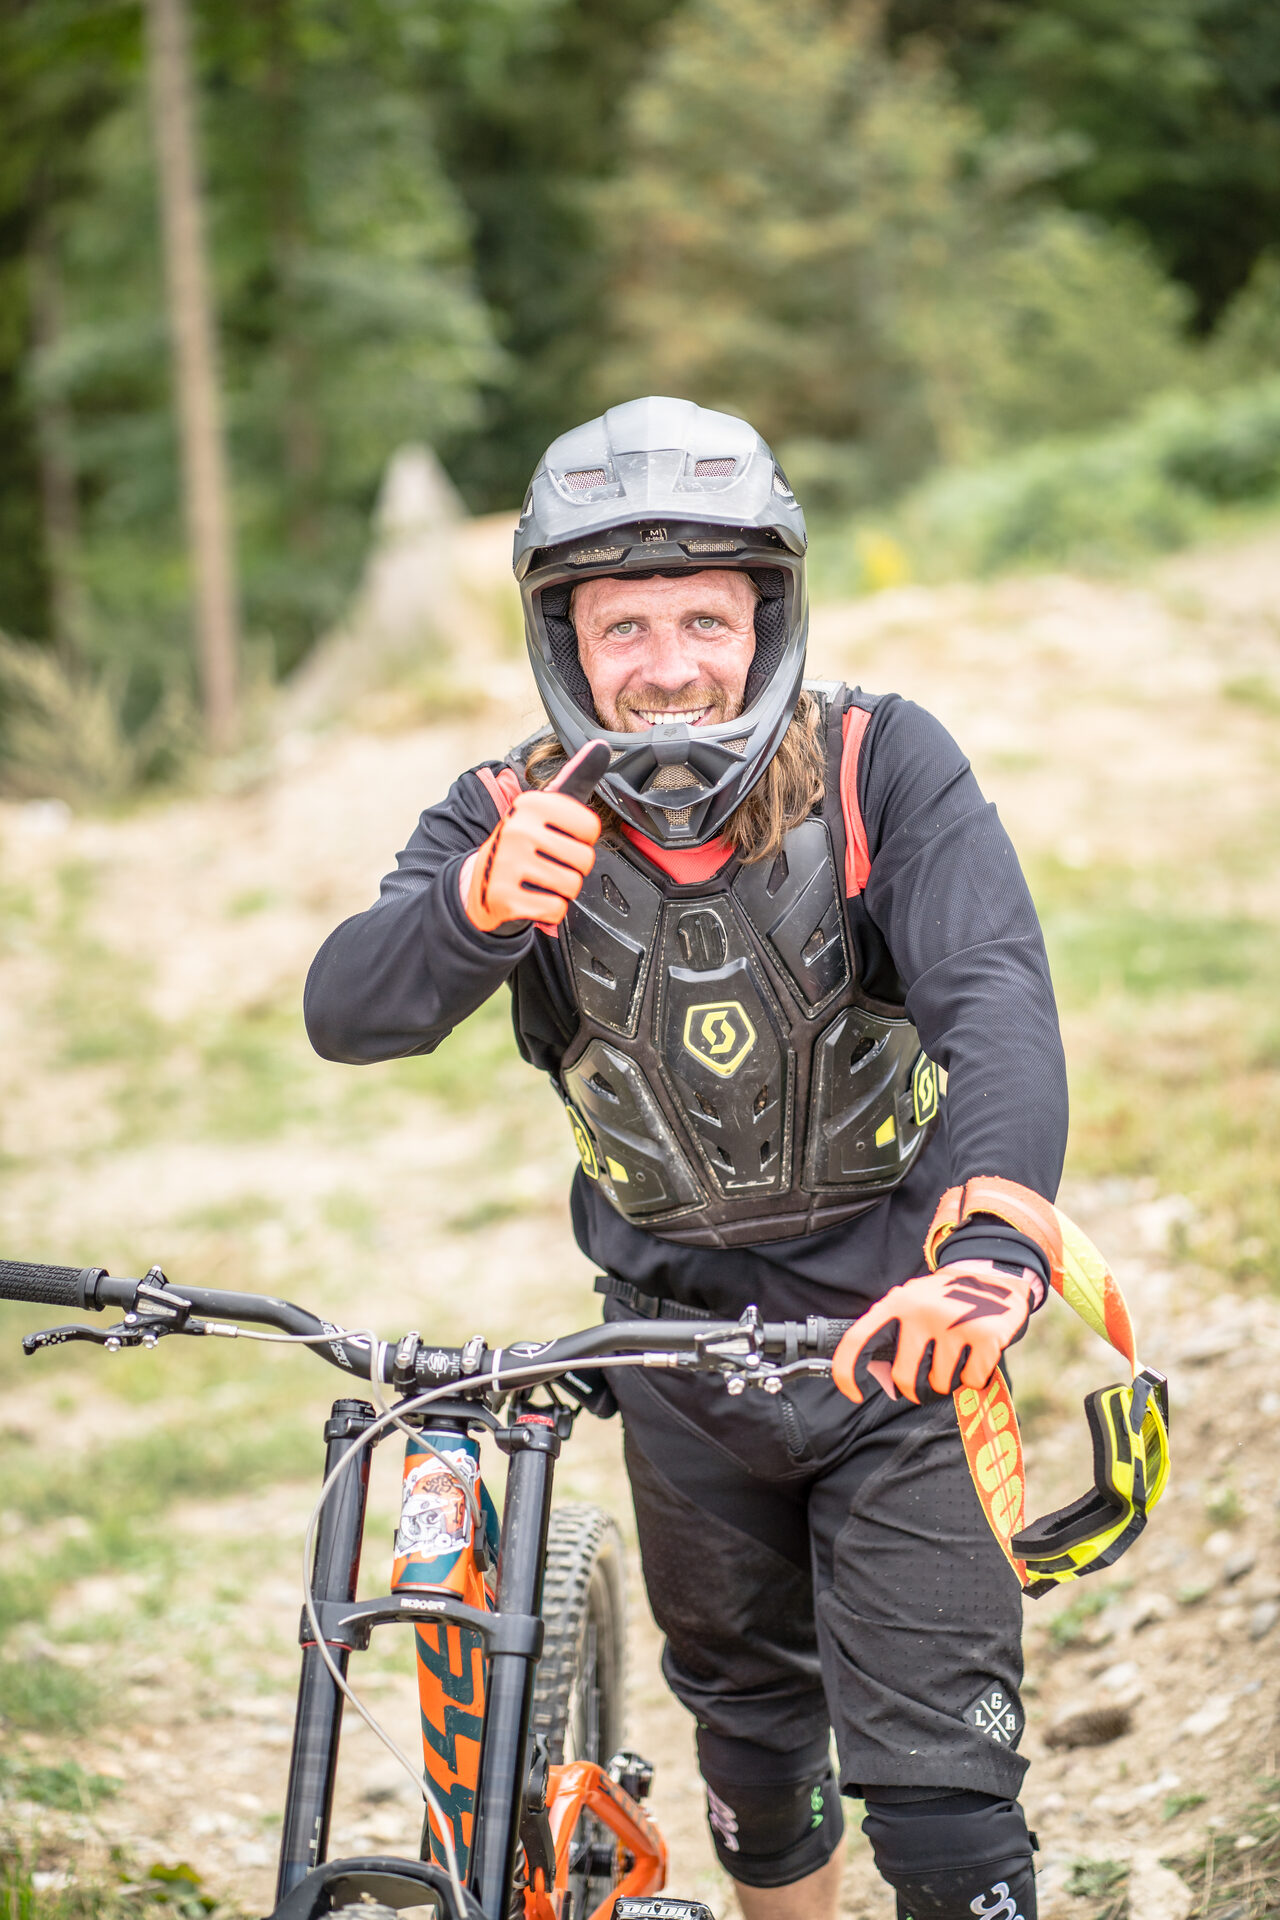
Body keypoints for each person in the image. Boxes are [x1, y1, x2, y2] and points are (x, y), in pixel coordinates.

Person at [304, 396, 1071, 1920]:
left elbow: (995, 994)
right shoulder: (510, 813)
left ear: (766, 619)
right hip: (677, 1361)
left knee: (944, 1802)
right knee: (758, 1766)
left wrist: (995, 1249)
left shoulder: (881, 765)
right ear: (567, 642)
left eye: (704, 619)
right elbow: (347, 1009)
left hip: (897, 1339)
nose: (667, 667)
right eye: (625, 627)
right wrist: (469, 911)